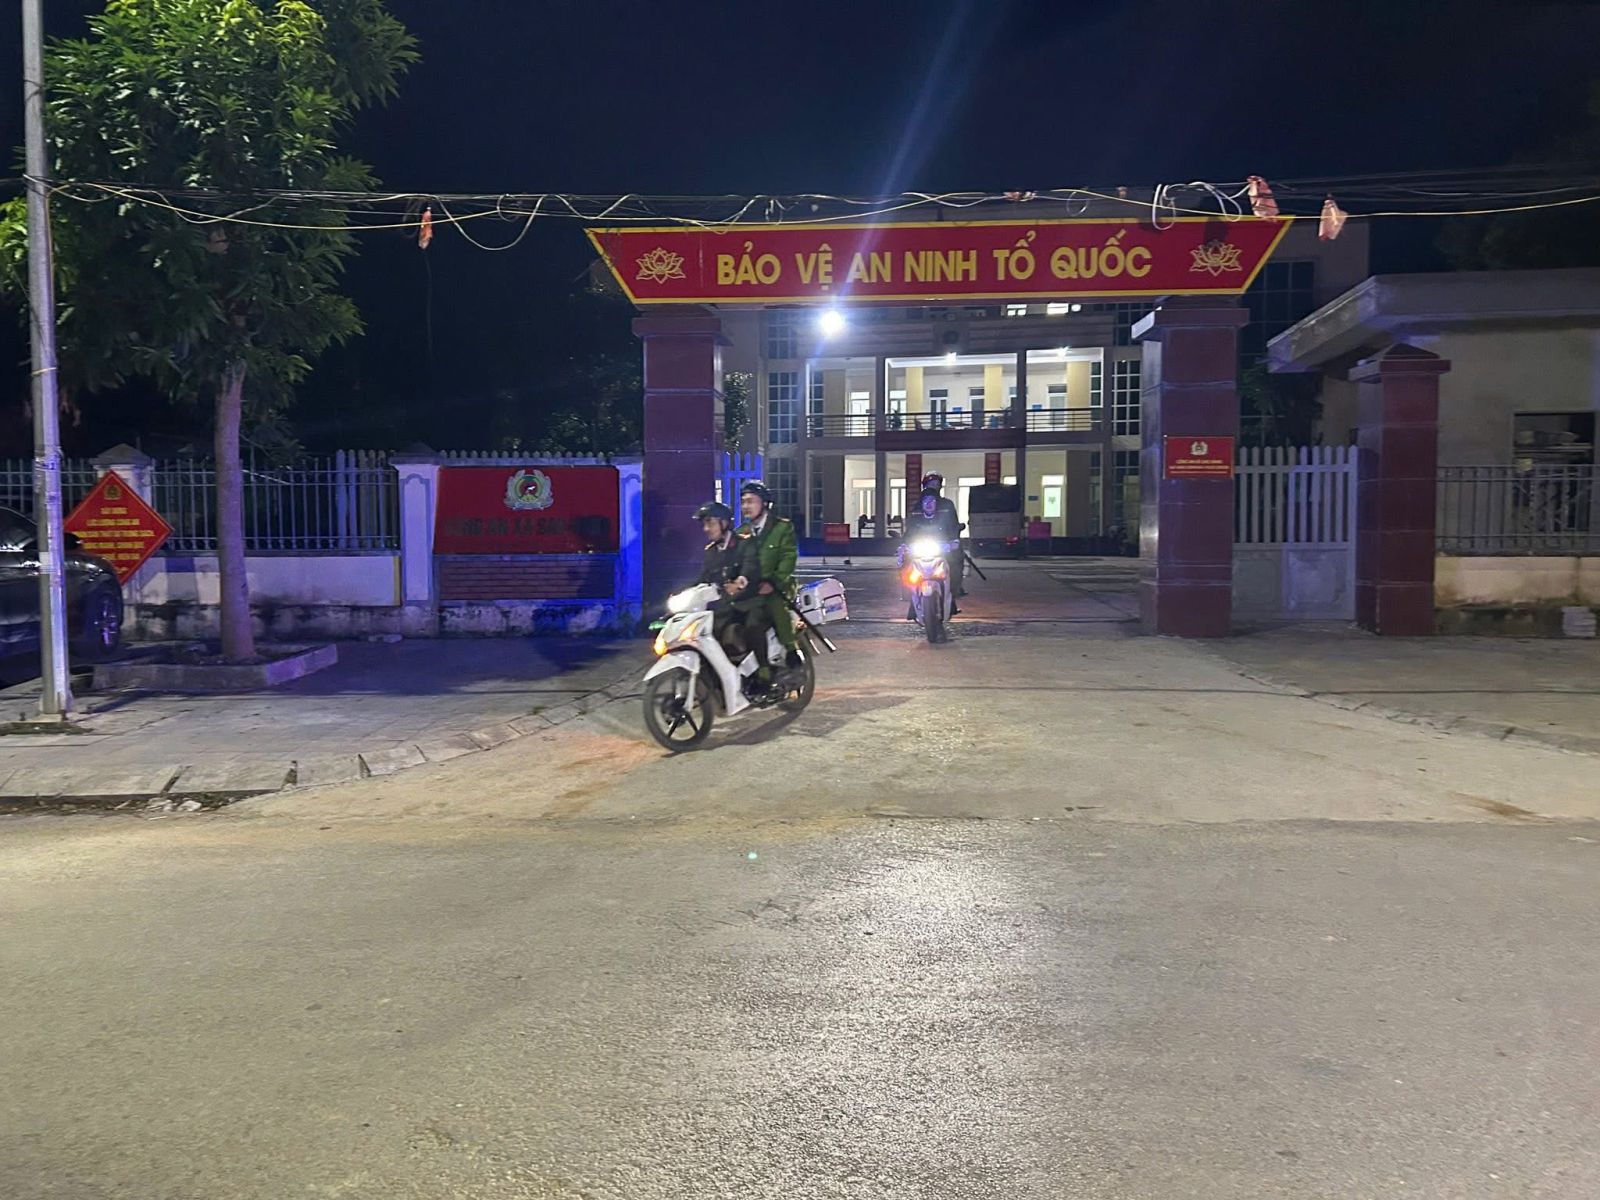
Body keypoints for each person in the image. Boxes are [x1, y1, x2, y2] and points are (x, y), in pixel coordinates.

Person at [735, 479, 800, 686]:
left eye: (751, 501)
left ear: (764, 503)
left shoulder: (782, 528)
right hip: (751, 590)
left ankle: (789, 651)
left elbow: (788, 557)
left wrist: (775, 582)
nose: (746, 506)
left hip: (778, 588)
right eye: (743, 502)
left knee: (764, 613)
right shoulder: (741, 532)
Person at [693, 500, 759, 660]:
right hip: (722, 604)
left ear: (724, 523)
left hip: (746, 601)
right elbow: (703, 579)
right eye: (704, 524)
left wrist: (740, 582)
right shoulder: (711, 551)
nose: (706, 529)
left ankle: (762, 669)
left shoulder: (744, 544)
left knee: (752, 628)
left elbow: (750, 567)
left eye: (710, 523)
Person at [903, 472, 965, 612]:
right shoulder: (917, 507)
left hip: (943, 545)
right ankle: (911, 598)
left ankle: (953, 593)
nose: (929, 503)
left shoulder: (947, 505)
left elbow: (953, 525)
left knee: (956, 561)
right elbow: (910, 529)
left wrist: (954, 541)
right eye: (930, 484)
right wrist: (904, 544)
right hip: (920, 547)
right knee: (906, 564)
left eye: (936, 484)